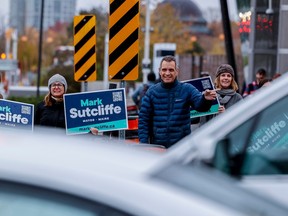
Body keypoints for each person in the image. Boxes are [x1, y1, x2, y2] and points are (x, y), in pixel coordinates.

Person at [138, 55, 217, 148]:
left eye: (171, 70)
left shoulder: (187, 89)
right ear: (159, 71)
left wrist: (205, 100)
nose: (167, 73)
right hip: (157, 147)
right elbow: (143, 120)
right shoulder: (152, 91)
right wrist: (144, 145)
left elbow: (200, 106)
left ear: (177, 72)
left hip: (181, 147)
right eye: (164, 70)